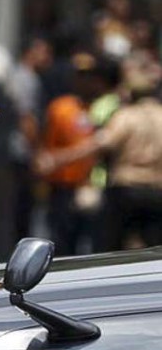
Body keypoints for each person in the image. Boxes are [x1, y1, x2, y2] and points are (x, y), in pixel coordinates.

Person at [35, 60, 162, 251]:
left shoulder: (126, 116)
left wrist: (59, 158)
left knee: (112, 251)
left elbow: (98, 144)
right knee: (154, 252)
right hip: (156, 192)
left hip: (125, 190)